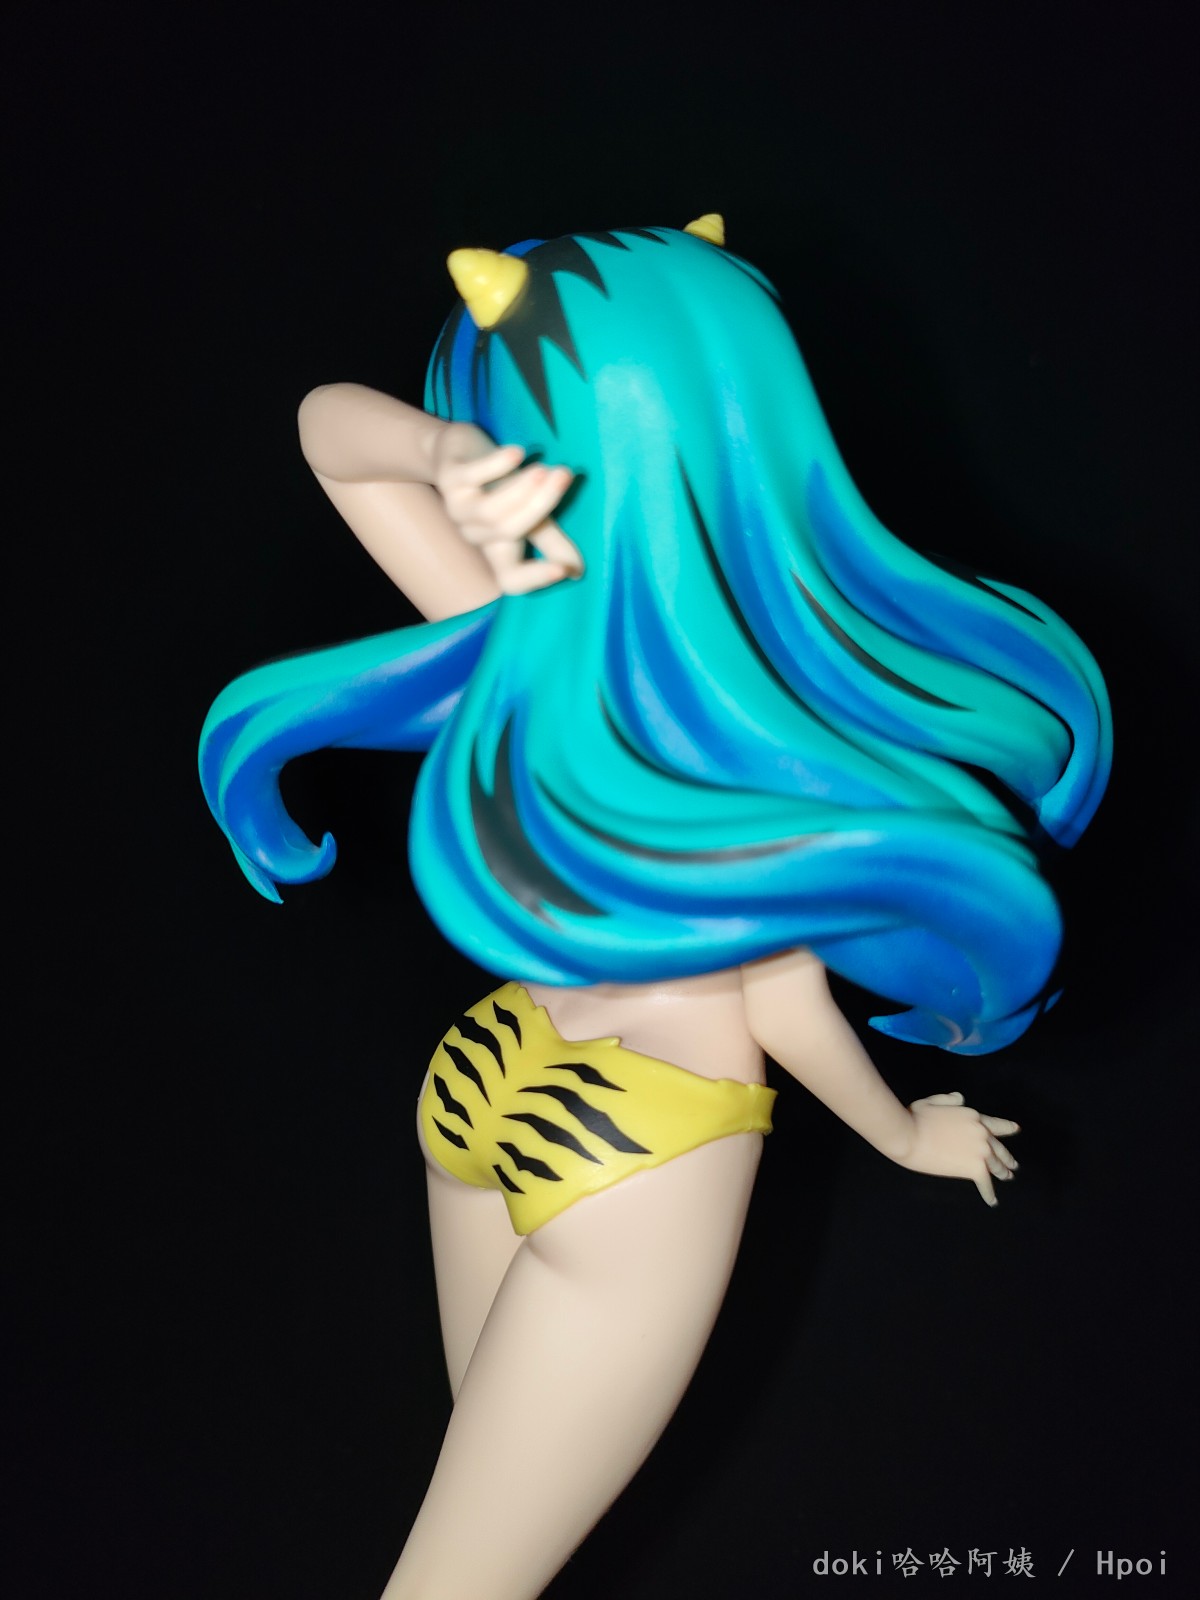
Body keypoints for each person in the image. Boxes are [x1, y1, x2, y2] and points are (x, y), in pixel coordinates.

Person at [200, 217, 1110, 1598]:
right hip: (634, 1143)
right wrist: (901, 1132)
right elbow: (782, 1003)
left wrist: (439, 457)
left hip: (491, 1075)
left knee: (479, 1548)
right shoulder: (726, 720)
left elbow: (332, 440)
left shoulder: (519, 636)